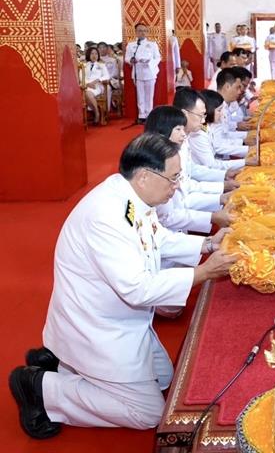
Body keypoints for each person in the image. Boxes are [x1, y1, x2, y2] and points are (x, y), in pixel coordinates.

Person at [8, 134, 236, 438]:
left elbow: (159, 238)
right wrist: (203, 273)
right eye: (173, 178)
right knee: (149, 413)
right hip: (96, 327)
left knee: (166, 378)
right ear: (144, 176)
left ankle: (62, 363)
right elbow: (137, 288)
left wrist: (207, 243)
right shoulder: (107, 216)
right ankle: (42, 388)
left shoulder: (133, 197)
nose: (177, 186)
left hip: (122, 321)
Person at [145, 106, 233, 233]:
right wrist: (212, 215)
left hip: (179, 228)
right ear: (162, 130)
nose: (183, 134)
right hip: (168, 234)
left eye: (183, 129)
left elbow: (187, 187)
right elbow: (167, 216)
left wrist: (221, 193)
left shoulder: (176, 150)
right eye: (178, 129)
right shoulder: (156, 164)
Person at [125, 23, 161, 124]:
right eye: (140, 30)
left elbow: (158, 57)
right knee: (140, 95)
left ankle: (149, 115)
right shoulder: (131, 45)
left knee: (149, 95)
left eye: (145, 31)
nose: (142, 33)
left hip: (149, 72)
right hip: (138, 72)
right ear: (136, 32)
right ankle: (141, 115)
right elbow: (127, 58)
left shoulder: (152, 44)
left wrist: (149, 62)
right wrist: (131, 60)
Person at [81, 46, 110, 125]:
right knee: (86, 92)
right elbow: (81, 77)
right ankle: (96, 111)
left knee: (87, 93)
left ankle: (96, 114)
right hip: (86, 85)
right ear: (88, 55)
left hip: (97, 86)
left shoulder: (102, 65)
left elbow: (107, 76)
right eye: (92, 54)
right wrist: (87, 84)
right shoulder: (84, 65)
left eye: (96, 54)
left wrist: (97, 80)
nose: (94, 56)